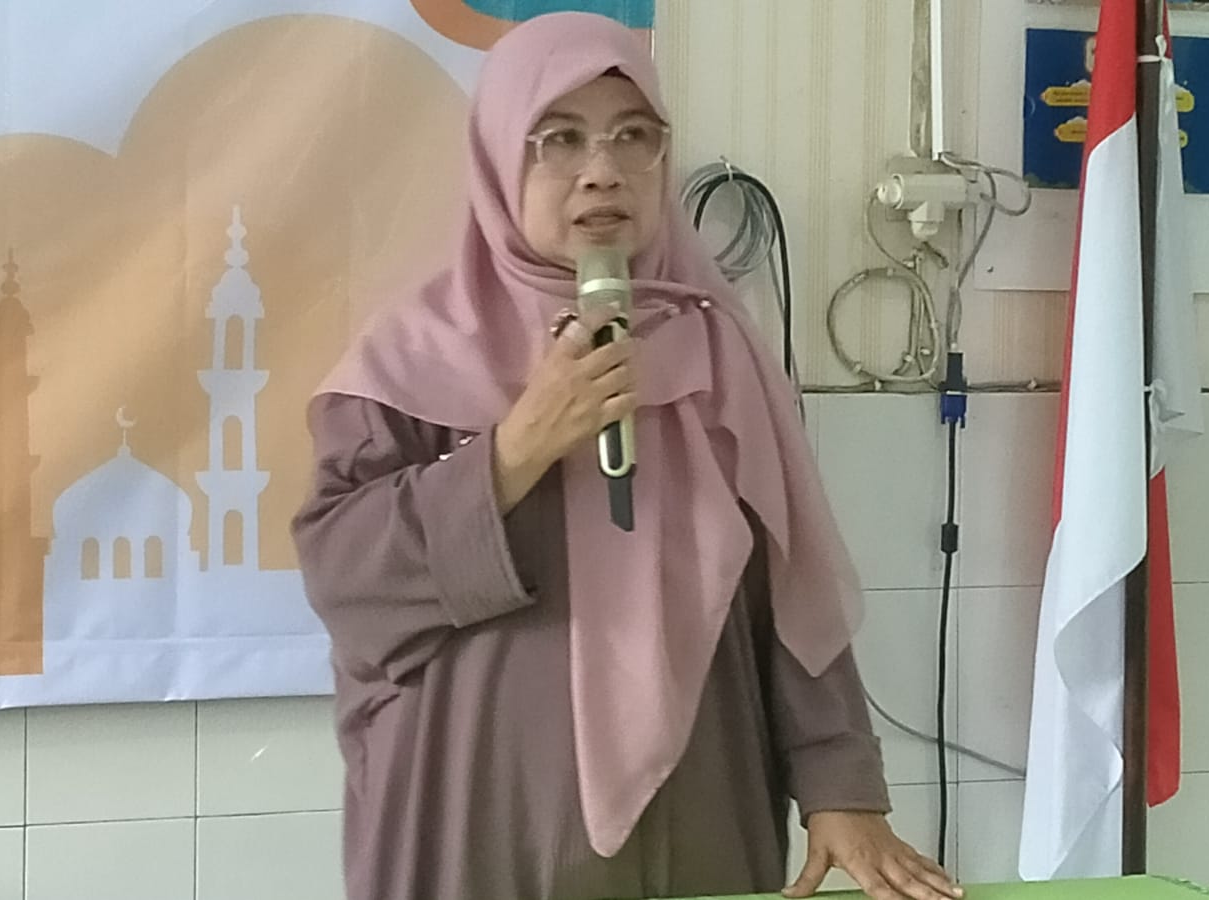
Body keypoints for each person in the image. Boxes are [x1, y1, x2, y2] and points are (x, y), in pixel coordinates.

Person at [291, 11, 962, 900]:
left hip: (700, 802)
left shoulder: (717, 354)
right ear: (497, 157)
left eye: (633, 136)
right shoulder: (410, 360)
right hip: (474, 812)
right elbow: (344, 575)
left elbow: (787, 590)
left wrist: (840, 784)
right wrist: (516, 450)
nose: (602, 170)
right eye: (560, 139)